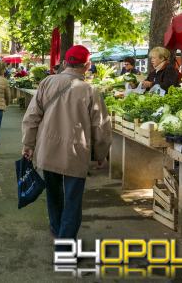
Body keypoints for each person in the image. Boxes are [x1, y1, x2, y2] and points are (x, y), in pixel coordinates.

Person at [21, 45, 112, 248]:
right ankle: (65, 245)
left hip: (47, 149)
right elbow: (101, 126)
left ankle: (57, 229)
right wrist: (101, 153)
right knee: (73, 200)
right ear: (87, 66)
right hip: (75, 152)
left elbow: (31, 117)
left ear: (64, 63)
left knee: (53, 193)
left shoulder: (46, 83)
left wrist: (28, 144)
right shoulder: (90, 90)